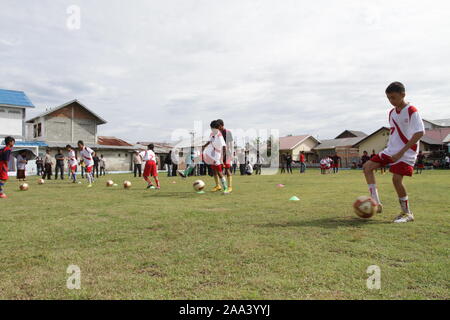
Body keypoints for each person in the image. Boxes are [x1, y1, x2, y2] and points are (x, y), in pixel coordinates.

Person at [363, 82, 425, 223]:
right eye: (388, 98)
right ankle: (376, 203)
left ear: (403, 95)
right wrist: (390, 149)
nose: (391, 101)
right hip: (391, 150)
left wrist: (401, 152)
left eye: (393, 97)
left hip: (406, 152)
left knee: (396, 180)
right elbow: (395, 134)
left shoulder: (411, 110)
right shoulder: (391, 113)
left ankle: (407, 213)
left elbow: (419, 133)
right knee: (367, 167)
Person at [203, 120, 229, 193]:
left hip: (217, 155)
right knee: (214, 171)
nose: (211, 129)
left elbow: (224, 148)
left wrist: (221, 158)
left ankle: (226, 188)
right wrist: (204, 146)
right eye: (211, 128)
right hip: (212, 154)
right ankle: (217, 186)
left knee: (219, 172)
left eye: (212, 128)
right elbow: (210, 141)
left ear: (217, 128)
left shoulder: (219, 136)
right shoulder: (212, 134)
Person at [217, 119, 234, 192]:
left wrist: (231, 153)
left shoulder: (228, 132)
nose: (217, 128)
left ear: (221, 125)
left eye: (218, 126)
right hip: (219, 153)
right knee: (218, 170)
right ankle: (221, 186)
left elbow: (230, 144)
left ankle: (230, 187)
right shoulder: (218, 133)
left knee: (227, 169)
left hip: (227, 153)